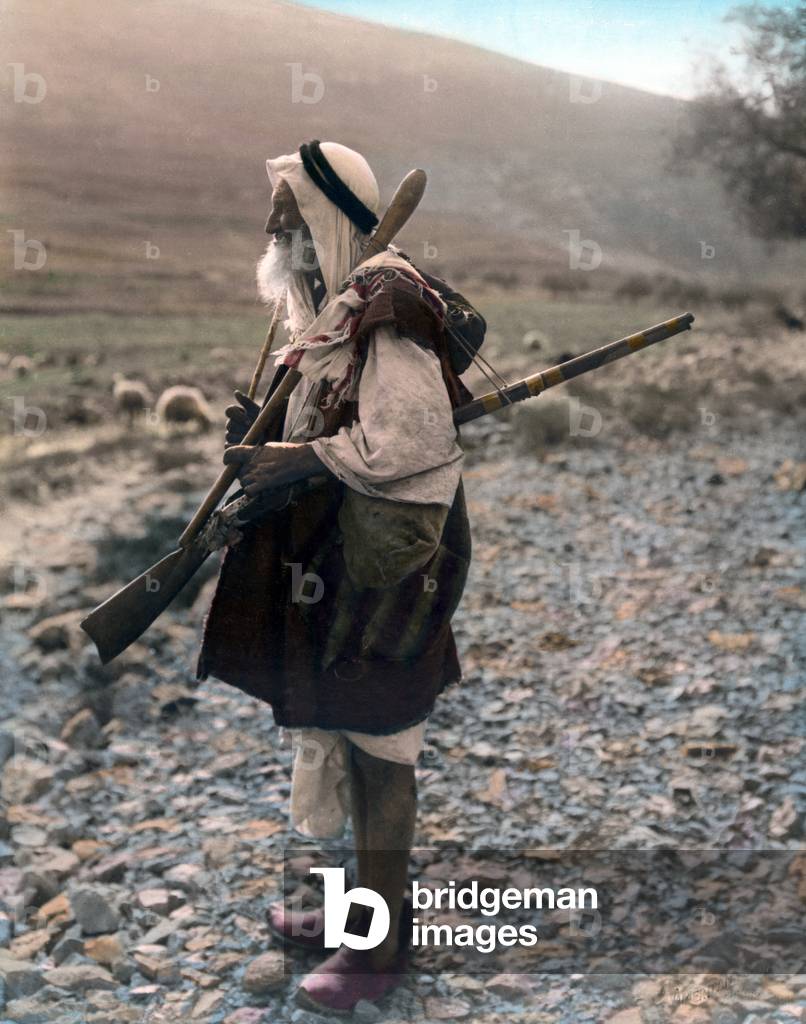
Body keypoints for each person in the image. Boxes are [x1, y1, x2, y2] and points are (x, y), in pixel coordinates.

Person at [196, 140, 484, 1014]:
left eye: (290, 209)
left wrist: (295, 460)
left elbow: (411, 441)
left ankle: (380, 948)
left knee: (382, 748)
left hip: (390, 559)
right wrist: (277, 425)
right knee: (344, 726)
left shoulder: (385, 304)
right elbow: (347, 408)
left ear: (330, 215)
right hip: (339, 553)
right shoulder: (331, 303)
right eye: (275, 209)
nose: (276, 225)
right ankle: (353, 913)